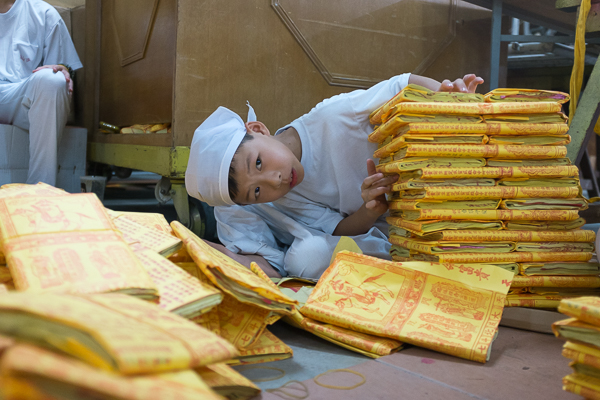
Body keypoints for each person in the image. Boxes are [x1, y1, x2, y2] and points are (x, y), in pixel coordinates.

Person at [186, 73, 483, 279]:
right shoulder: (287, 196)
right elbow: (338, 228)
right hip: (406, 221)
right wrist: (369, 211)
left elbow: (401, 85)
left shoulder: (332, 118)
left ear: (258, 129)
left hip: (442, 172)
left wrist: (447, 100)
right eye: (257, 192)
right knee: (308, 259)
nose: (273, 181)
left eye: (260, 163)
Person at [0, 0, 82, 186]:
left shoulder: (43, 13)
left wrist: (63, 68)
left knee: (53, 80)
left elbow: (64, 69)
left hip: (21, 97)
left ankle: (41, 189)